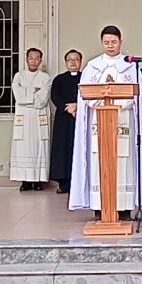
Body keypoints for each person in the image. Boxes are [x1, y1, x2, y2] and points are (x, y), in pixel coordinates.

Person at [69, 25, 142, 218]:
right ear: (102, 42)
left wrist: (118, 102)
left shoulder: (130, 66)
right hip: (99, 124)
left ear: (121, 42)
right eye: (106, 42)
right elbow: (85, 96)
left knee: (124, 163)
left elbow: (137, 96)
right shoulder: (92, 67)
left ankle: (124, 208)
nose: (110, 45)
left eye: (114, 42)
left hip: (123, 121)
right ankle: (100, 208)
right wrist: (104, 100)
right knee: (98, 163)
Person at [11, 47, 53, 191]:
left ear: (40, 61)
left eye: (36, 59)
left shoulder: (45, 78)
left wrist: (26, 94)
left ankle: (38, 181)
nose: (33, 61)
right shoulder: (19, 76)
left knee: (39, 145)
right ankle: (25, 181)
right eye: (31, 58)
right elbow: (18, 96)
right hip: (23, 117)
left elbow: (42, 99)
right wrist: (34, 91)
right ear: (26, 59)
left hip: (38, 117)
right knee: (23, 148)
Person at [49, 50, 83, 194]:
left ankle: (80, 182)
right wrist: (67, 108)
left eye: (76, 59)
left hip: (81, 118)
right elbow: (54, 96)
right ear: (66, 62)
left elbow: (88, 95)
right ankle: (63, 183)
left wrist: (78, 106)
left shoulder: (85, 78)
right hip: (63, 119)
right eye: (70, 59)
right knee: (62, 149)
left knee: (79, 148)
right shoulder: (59, 79)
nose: (73, 62)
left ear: (80, 61)